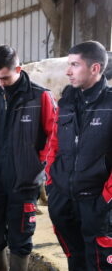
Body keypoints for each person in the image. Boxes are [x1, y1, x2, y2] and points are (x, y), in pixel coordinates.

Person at [0, 45, 58, 271]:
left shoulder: (40, 97)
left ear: (18, 69)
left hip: (23, 183)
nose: (0, 83)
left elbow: (54, 136)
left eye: (4, 77)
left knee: (20, 240)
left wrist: (37, 166)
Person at [47, 41, 112, 271]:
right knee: (75, 259)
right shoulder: (66, 102)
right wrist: (51, 185)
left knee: (99, 264)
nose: (68, 71)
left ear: (95, 68)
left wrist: (106, 200)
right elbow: (54, 144)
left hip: (96, 203)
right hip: (64, 200)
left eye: (74, 65)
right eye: (68, 64)